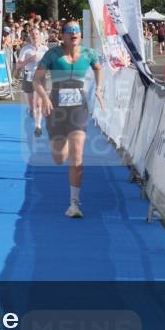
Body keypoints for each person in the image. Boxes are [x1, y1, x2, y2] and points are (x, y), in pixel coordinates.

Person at [33, 21, 104, 219]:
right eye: (69, 30)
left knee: (78, 156)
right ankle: (58, 141)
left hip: (78, 108)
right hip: (56, 108)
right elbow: (36, 80)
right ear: (62, 35)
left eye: (77, 30)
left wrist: (98, 88)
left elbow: (99, 69)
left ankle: (74, 204)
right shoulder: (53, 54)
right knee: (59, 158)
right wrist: (45, 97)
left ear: (80, 35)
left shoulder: (89, 54)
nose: (74, 33)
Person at [16, 26, 48, 136]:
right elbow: (18, 66)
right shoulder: (26, 49)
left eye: (37, 34)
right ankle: (30, 109)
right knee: (31, 104)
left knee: (38, 103)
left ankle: (38, 126)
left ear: (40, 36)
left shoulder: (45, 49)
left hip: (40, 77)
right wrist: (29, 59)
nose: (35, 36)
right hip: (28, 76)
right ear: (29, 36)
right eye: (33, 34)